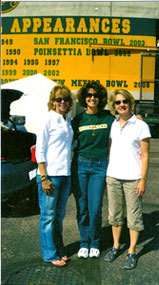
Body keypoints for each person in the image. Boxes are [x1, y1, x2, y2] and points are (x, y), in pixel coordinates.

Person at [104, 89, 151, 270]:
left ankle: (131, 250)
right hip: (113, 176)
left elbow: (145, 156)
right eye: (117, 102)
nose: (121, 104)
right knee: (114, 215)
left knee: (134, 217)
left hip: (133, 178)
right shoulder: (113, 124)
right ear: (114, 106)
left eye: (124, 101)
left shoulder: (141, 125)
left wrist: (143, 179)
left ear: (130, 103)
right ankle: (116, 246)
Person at [71, 80, 114, 259]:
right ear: (84, 98)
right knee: (82, 207)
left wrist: (137, 119)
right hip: (80, 165)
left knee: (95, 207)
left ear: (100, 98)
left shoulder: (109, 118)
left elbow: (125, 125)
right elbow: (63, 138)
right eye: (89, 95)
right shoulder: (78, 120)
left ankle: (95, 242)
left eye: (95, 95)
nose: (92, 98)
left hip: (99, 166)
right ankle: (84, 242)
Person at [35, 85, 73, 267]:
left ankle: (59, 248)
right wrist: (44, 177)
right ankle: (50, 254)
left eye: (65, 99)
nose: (62, 102)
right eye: (58, 99)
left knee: (59, 216)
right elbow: (39, 150)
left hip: (65, 174)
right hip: (50, 175)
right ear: (53, 102)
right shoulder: (47, 119)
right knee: (48, 217)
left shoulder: (68, 120)